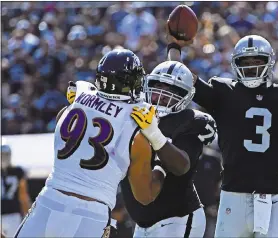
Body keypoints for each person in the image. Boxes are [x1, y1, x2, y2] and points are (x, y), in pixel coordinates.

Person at [15, 49, 190, 238]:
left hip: (48, 202)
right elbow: (144, 196)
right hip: (91, 214)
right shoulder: (138, 124)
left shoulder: (75, 102)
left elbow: (64, 122)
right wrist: (161, 168)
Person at [167, 34, 278, 237]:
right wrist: (174, 46)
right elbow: (180, 76)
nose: (251, 66)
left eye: (257, 61)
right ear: (235, 64)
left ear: (268, 63)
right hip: (233, 194)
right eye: (245, 62)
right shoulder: (224, 91)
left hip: (275, 196)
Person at [121, 61, 217, 237]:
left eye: (171, 91)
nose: (161, 96)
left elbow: (181, 167)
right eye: (157, 88)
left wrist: (154, 134)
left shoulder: (190, 121)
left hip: (177, 220)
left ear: (184, 96)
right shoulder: (133, 114)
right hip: (141, 223)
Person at [1, 144, 31, 238]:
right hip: (13, 215)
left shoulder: (18, 171)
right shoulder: (18, 171)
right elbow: (23, 196)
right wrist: (28, 214)